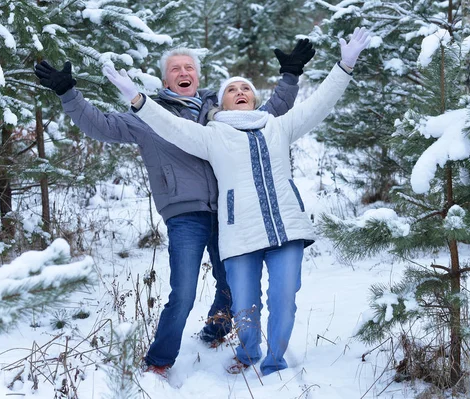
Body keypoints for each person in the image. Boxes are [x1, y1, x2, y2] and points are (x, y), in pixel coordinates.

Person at [34, 41, 315, 377]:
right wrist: (68, 93)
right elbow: (100, 126)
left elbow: (270, 114)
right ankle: (160, 359)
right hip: (185, 213)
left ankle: (216, 330)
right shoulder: (148, 116)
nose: (184, 73)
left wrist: (290, 76)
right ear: (165, 81)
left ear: (197, 75)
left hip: (231, 214)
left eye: (189, 68)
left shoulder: (221, 110)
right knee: (183, 290)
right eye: (175, 70)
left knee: (232, 285)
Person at [103, 27, 370, 376]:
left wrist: (344, 66)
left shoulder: (279, 126)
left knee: (283, 301)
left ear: (255, 99)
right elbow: (168, 126)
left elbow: (320, 103)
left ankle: (274, 363)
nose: (240, 91)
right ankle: (247, 352)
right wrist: (139, 100)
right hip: (240, 234)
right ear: (221, 102)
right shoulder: (211, 136)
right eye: (232, 88)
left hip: (285, 230)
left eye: (246, 88)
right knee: (245, 305)